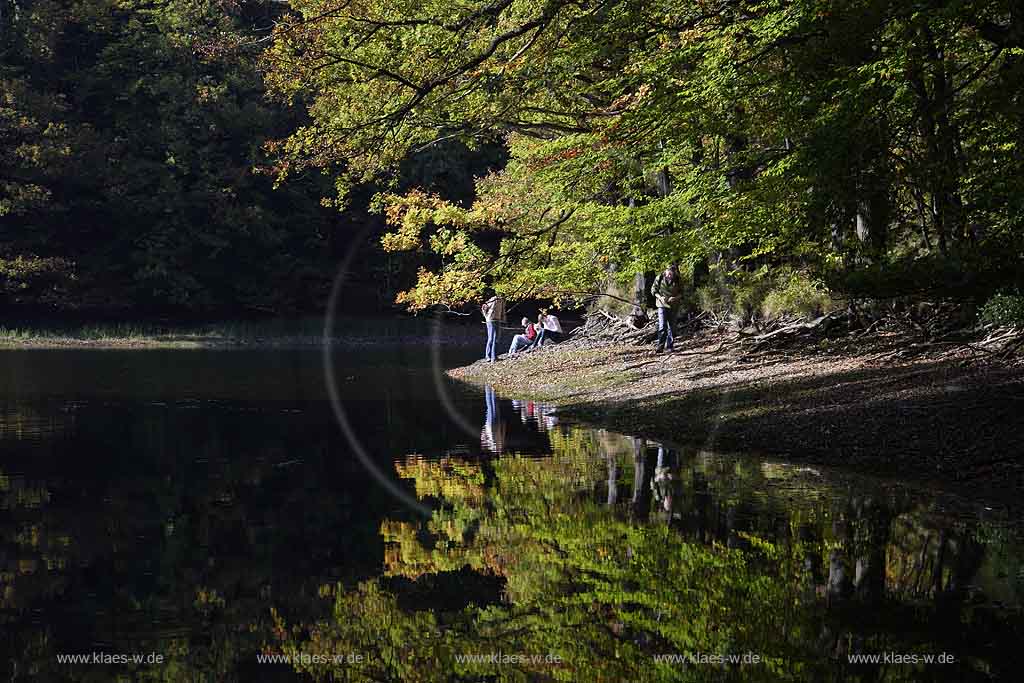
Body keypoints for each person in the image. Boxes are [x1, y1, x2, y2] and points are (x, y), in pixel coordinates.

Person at [650, 263, 683, 353]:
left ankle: (670, 346)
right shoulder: (659, 278)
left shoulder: (678, 279)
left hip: (674, 306)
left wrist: (675, 298)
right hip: (662, 305)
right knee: (662, 326)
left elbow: (682, 293)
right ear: (665, 271)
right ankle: (660, 347)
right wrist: (660, 297)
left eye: (671, 273)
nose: (670, 275)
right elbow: (653, 290)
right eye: (669, 273)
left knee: (672, 328)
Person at [481, 295, 505, 362]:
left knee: (496, 338)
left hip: (497, 320)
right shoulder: (492, 299)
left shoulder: (502, 300)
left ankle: (494, 356)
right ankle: (488, 356)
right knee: (491, 338)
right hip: (490, 320)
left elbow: (503, 310)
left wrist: (503, 319)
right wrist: (486, 317)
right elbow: (484, 308)